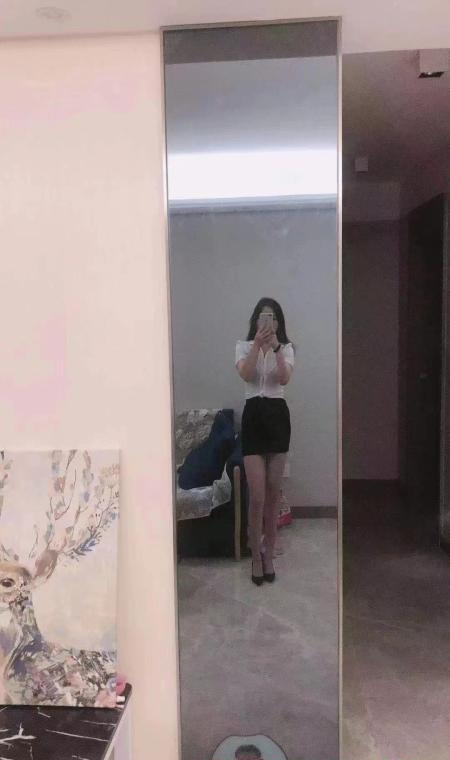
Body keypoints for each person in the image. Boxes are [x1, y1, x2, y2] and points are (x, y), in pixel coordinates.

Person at [235, 298, 294, 585]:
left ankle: (269, 555)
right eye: (262, 316)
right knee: (257, 496)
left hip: (277, 417)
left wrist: (277, 349)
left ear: (278, 322)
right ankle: (255, 557)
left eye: (271, 317)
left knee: (272, 495)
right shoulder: (243, 346)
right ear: (256, 321)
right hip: (253, 418)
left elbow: (284, 379)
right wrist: (257, 346)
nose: (267, 321)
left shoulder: (287, 348)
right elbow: (246, 375)